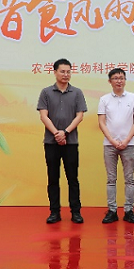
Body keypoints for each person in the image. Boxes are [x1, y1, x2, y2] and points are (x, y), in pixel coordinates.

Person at [37, 58, 87, 224]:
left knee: (73, 178)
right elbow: (43, 116)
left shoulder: (77, 92)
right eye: (62, 71)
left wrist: (65, 132)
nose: (66, 75)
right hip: (51, 142)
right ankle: (54, 212)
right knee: (53, 178)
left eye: (68, 72)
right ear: (55, 72)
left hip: (70, 142)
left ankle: (76, 212)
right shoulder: (46, 92)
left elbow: (79, 116)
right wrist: (56, 134)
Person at [97, 67, 134, 224]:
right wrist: (112, 140)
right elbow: (101, 122)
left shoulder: (133, 98)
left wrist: (127, 139)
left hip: (128, 145)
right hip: (109, 145)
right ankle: (112, 210)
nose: (119, 81)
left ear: (125, 80)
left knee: (129, 179)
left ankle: (129, 210)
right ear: (110, 81)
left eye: (121, 78)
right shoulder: (104, 99)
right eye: (115, 78)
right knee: (111, 179)